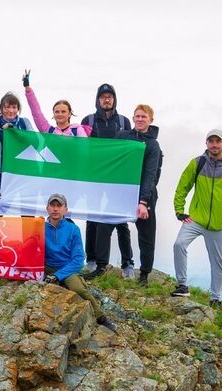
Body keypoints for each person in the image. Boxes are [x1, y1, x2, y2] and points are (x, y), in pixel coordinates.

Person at [171, 129, 222, 308]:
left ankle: (216, 298)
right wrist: (179, 210)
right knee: (179, 245)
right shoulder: (197, 163)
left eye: (218, 141)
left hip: (219, 224)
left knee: (218, 263)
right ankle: (182, 286)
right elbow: (182, 187)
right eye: (211, 141)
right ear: (206, 143)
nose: (214, 145)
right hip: (196, 219)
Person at [44, 193, 117, 333]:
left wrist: (58, 275)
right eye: (52, 205)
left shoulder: (73, 229)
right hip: (47, 266)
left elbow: (78, 259)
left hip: (67, 268)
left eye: (59, 205)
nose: (55, 209)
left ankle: (102, 318)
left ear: (65, 209)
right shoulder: (40, 228)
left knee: (78, 289)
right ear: (47, 208)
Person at [82, 84, 133, 279]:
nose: (106, 100)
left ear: (114, 99)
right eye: (103, 97)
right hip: (94, 177)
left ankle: (127, 263)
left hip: (118, 179)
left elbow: (131, 150)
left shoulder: (123, 121)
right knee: (92, 217)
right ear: (98, 99)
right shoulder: (89, 120)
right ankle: (92, 259)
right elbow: (81, 147)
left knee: (121, 220)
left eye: (109, 96)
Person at [115, 104, 162, 286]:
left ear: (151, 120)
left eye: (144, 116)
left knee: (146, 234)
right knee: (109, 226)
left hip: (146, 193)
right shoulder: (122, 137)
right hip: (122, 191)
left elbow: (151, 174)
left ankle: (144, 274)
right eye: (137, 116)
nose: (140, 119)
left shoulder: (153, 144)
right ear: (133, 119)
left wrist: (143, 201)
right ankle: (104, 265)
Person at [0, 92, 33, 210]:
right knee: (1, 208)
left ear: (18, 109)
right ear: (1, 109)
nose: (11, 110)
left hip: (25, 173)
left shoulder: (24, 123)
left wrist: (14, 132)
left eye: (14, 107)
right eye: (7, 107)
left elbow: (36, 142)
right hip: (7, 175)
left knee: (27, 210)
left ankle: (28, 229)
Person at [23, 70, 90, 137]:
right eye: (57, 112)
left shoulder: (77, 130)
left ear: (69, 113)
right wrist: (28, 89)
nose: (60, 114)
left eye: (63, 111)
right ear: (54, 114)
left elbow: (84, 146)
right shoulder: (48, 131)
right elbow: (36, 112)